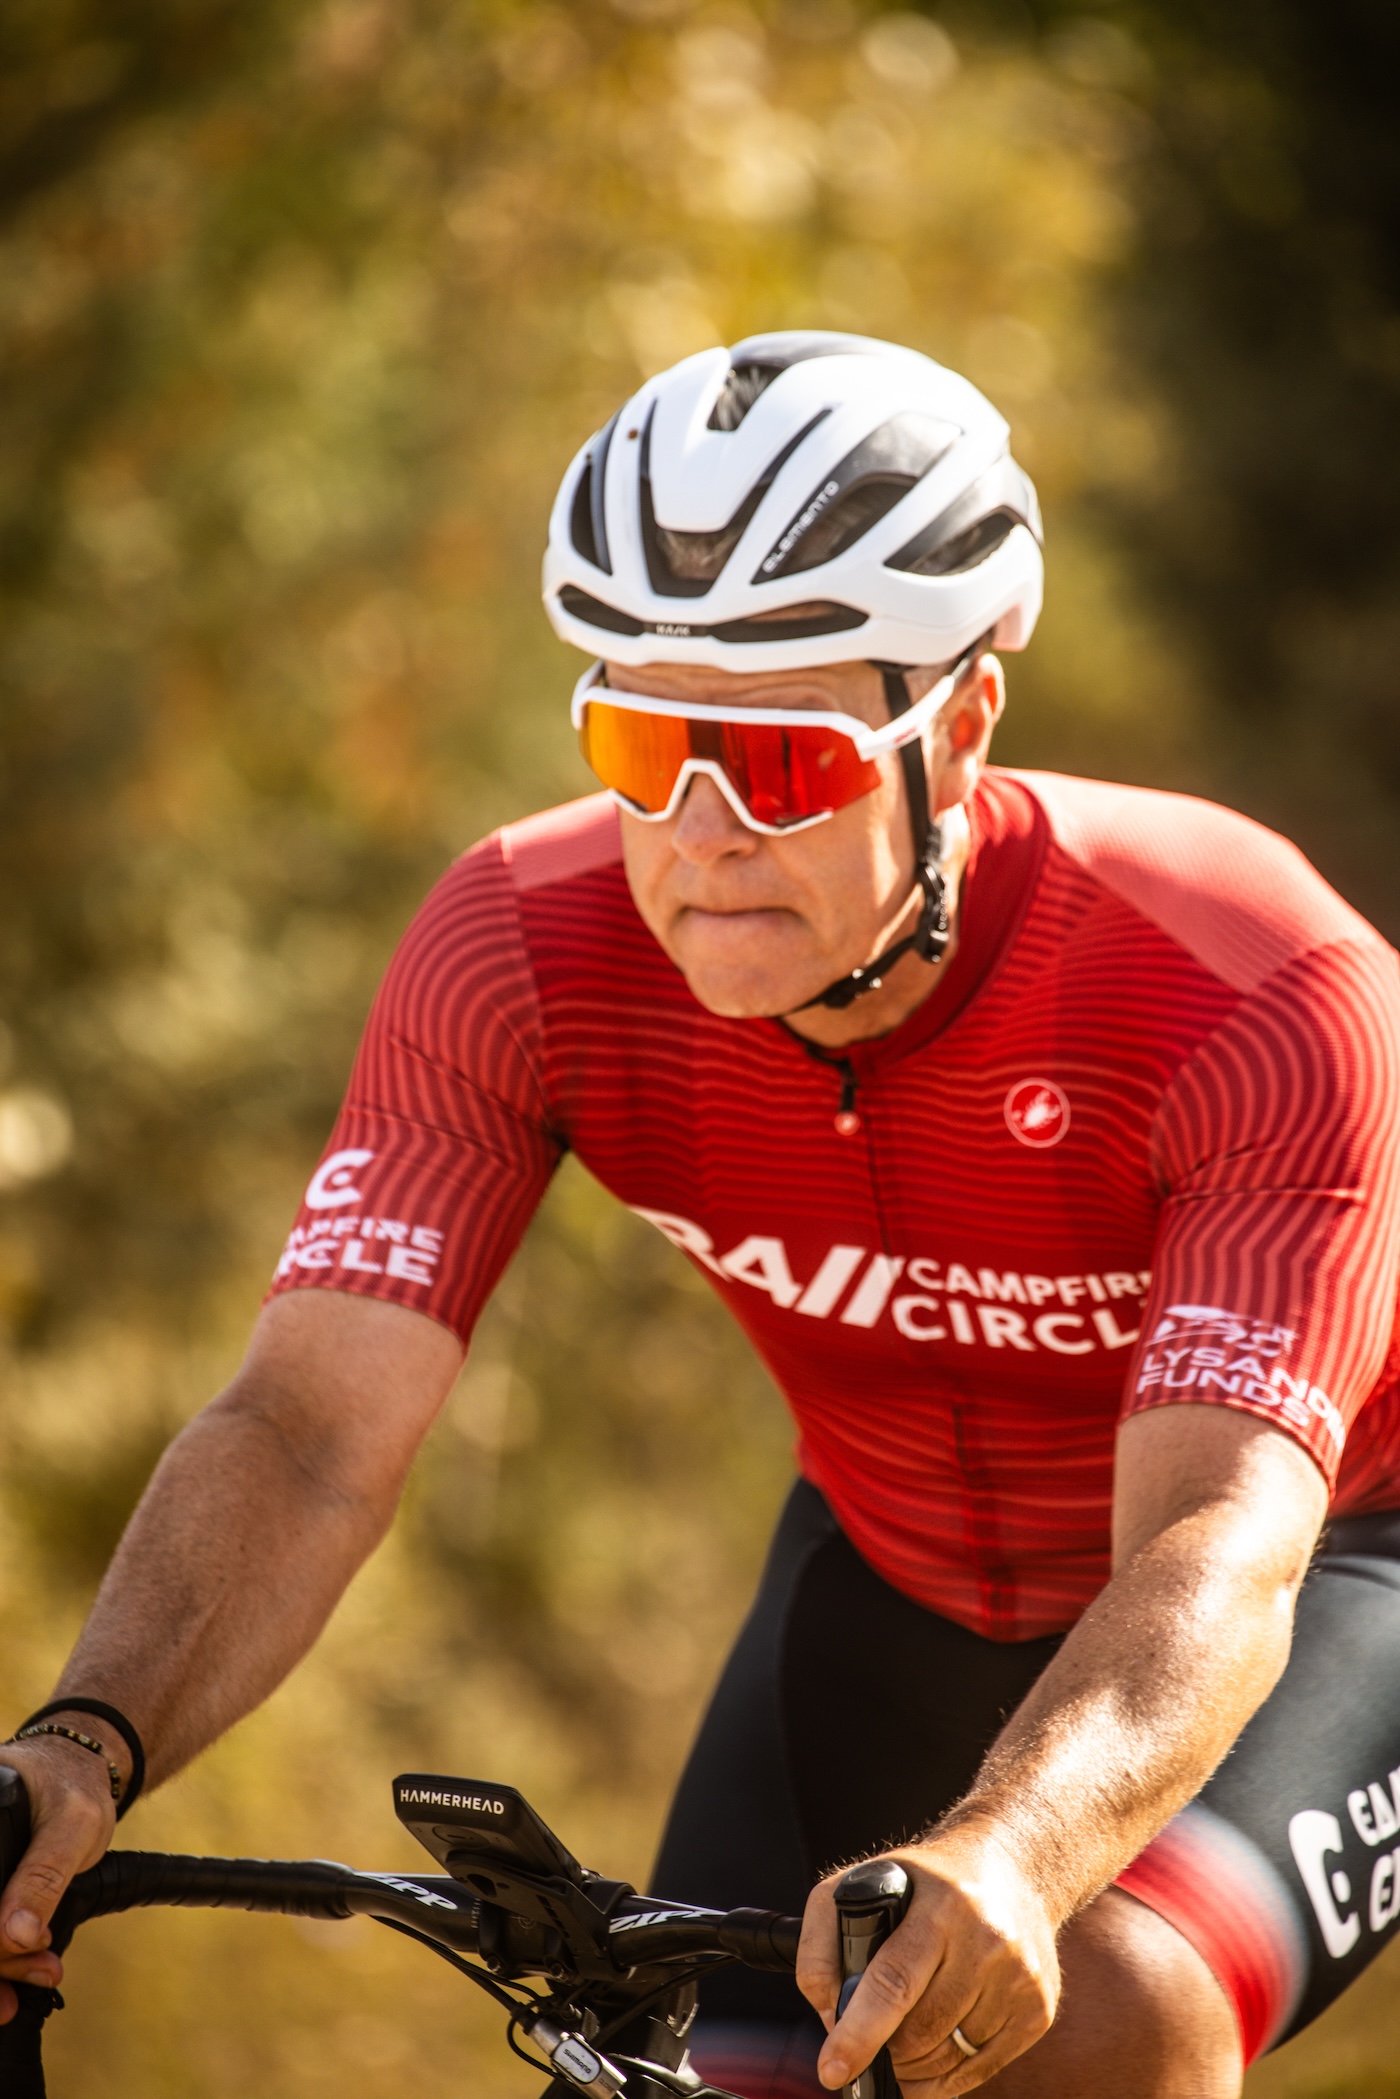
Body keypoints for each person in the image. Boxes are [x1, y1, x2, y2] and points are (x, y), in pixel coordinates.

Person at [3, 331, 1400, 2099]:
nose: (702, 830)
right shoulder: (522, 946)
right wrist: (80, 1748)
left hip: (1332, 1575)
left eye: (787, 761)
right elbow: (303, 1428)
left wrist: (1024, 1856)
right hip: (882, 1571)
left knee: (1103, 2012)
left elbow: (1221, 1538)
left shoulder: (1247, 979)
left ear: (959, 722)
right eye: (646, 740)